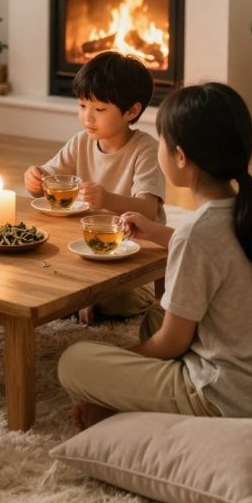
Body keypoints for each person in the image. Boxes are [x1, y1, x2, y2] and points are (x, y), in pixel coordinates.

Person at [58, 82, 252, 430]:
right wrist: (156, 232)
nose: (157, 147)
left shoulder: (198, 234)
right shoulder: (251, 212)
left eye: (161, 141)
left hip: (222, 394)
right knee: (154, 316)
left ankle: (133, 406)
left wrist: (119, 365)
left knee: (75, 361)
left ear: (180, 156)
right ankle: (137, 396)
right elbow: (215, 250)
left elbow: (172, 342)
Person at [24, 51, 165, 319]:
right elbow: (47, 182)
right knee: (36, 269)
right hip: (85, 247)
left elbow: (148, 209)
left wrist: (107, 199)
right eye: (82, 106)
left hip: (131, 254)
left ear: (132, 111)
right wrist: (34, 177)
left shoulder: (146, 149)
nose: (88, 117)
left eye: (99, 109)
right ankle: (82, 297)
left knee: (121, 298)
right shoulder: (81, 142)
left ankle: (88, 299)